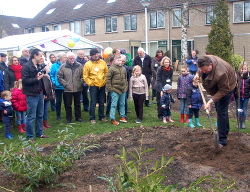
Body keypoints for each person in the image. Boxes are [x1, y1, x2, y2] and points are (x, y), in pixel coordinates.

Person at [196, 55, 236, 148]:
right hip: (216, 87)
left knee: (221, 111)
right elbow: (201, 70)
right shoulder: (205, 60)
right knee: (220, 110)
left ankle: (222, 140)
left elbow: (223, 90)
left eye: (205, 70)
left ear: (211, 64)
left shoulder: (221, 73)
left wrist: (210, 101)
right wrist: (197, 74)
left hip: (227, 87)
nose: (204, 72)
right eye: (202, 70)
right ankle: (225, 131)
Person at [22, 48, 49, 141]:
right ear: (35, 56)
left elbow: (39, 78)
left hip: (40, 93)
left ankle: (39, 133)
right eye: (40, 55)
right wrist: (38, 78)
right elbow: (25, 81)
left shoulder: (37, 66)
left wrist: (44, 73)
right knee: (31, 116)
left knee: (40, 115)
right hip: (31, 94)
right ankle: (29, 137)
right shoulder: (27, 66)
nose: (41, 57)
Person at [83, 48, 109, 124]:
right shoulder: (87, 64)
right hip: (93, 85)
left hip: (102, 85)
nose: (96, 55)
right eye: (94, 54)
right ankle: (92, 118)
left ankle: (101, 116)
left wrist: (104, 81)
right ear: (91, 55)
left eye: (97, 54)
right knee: (93, 102)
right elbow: (85, 76)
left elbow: (106, 72)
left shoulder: (103, 62)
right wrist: (91, 83)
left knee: (102, 101)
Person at [58, 52, 84, 124]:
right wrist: (65, 84)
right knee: (68, 104)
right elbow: (59, 77)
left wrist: (80, 82)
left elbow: (83, 75)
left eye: (73, 58)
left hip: (77, 88)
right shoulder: (63, 67)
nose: (72, 59)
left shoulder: (79, 66)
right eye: (70, 58)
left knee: (77, 104)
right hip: (67, 89)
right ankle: (69, 118)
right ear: (67, 59)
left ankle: (78, 117)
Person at [106, 55, 128, 125]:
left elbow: (125, 78)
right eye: (118, 60)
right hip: (114, 89)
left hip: (123, 89)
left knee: (122, 103)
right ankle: (112, 118)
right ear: (114, 61)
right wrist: (110, 89)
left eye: (120, 60)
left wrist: (125, 86)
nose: (119, 62)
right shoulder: (111, 69)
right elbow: (108, 79)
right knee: (114, 104)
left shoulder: (123, 68)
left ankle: (122, 116)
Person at [154, 56, 173, 120]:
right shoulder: (160, 69)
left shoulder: (171, 69)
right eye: (165, 62)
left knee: (167, 101)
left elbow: (170, 79)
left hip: (167, 86)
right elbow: (158, 79)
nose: (166, 63)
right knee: (160, 101)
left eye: (167, 62)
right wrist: (161, 90)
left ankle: (167, 115)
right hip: (160, 85)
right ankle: (160, 115)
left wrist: (169, 88)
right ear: (163, 63)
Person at [50, 52, 67, 120]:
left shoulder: (66, 65)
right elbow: (52, 75)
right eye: (64, 57)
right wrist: (54, 82)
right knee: (58, 101)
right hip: (58, 87)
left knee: (67, 101)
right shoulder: (54, 66)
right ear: (60, 58)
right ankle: (58, 115)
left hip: (66, 86)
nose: (66, 58)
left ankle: (68, 114)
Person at [234, 62, 250, 129]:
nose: (243, 70)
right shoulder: (237, 78)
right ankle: (239, 123)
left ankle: (243, 122)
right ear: (240, 69)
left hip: (246, 97)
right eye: (242, 69)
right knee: (238, 109)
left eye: (245, 69)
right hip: (238, 96)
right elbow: (234, 86)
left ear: (247, 69)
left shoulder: (249, 78)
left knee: (244, 109)